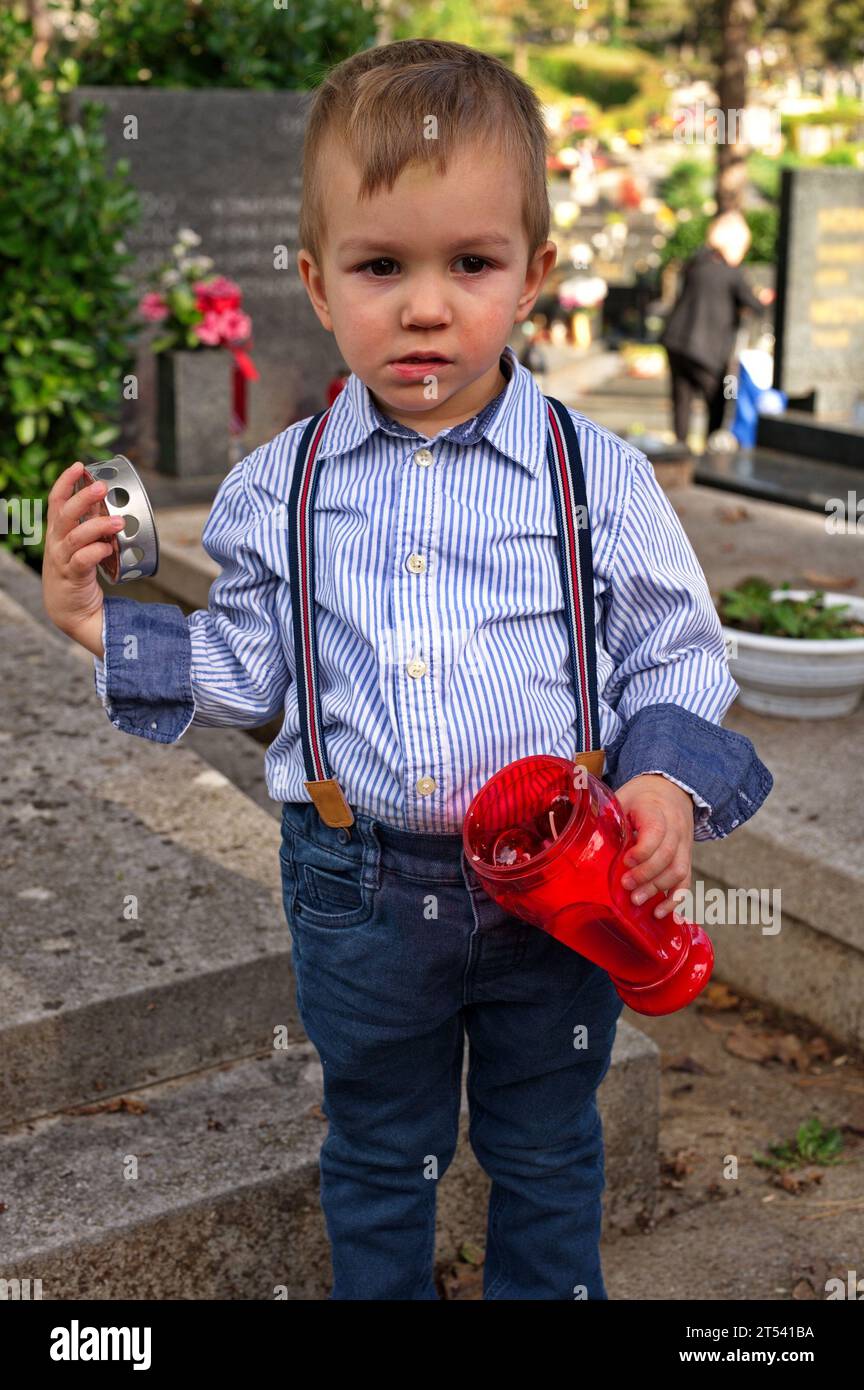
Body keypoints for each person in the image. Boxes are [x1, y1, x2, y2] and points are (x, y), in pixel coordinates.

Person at [42, 39, 773, 1301]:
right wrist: (105, 625)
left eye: (470, 264)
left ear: (535, 274)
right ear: (320, 284)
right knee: (382, 1149)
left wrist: (661, 787)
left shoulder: (594, 476)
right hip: (362, 886)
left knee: (548, 1144)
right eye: (384, 267)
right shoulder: (282, 488)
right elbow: (254, 667)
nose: (426, 306)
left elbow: (674, 648)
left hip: (561, 885)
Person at [660, 210, 775, 447]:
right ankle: (710, 449)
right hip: (706, 347)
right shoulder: (731, 274)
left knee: (682, 398)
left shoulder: (696, 263)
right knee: (719, 398)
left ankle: (681, 447)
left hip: (676, 340)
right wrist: (762, 298)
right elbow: (753, 305)